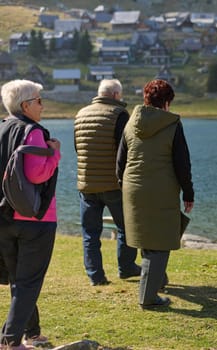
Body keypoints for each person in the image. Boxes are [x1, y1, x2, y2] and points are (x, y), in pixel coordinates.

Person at [116, 79, 194, 309]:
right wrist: (188, 193)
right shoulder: (172, 124)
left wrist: (124, 184)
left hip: (132, 187)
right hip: (162, 189)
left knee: (146, 236)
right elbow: (182, 164)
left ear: (146, 98)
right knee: (160, 241)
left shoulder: (131, 123)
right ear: (167, 102)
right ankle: (147, 298)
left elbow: (120, 161)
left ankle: (158, 281)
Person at [0, 79, 61, 349]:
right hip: (35, 218)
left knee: (19, 280)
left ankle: (32, 333)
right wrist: (55, 153)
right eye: (39, 101)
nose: (43, 106)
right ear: (25, 105)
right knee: (28, 282)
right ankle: (10, 341)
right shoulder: (32, 131)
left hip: (4, 216)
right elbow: (37, 174)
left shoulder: (2, 128)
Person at [74, 79, 141, 286]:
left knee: (90, 232)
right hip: (113, 184)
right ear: (115, 95)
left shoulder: (80, 114)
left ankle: (95, 275)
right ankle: (126, 267)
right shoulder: (119, 115)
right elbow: (126, 150)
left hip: (87, 184)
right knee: (126, 227)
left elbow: (78, 148)